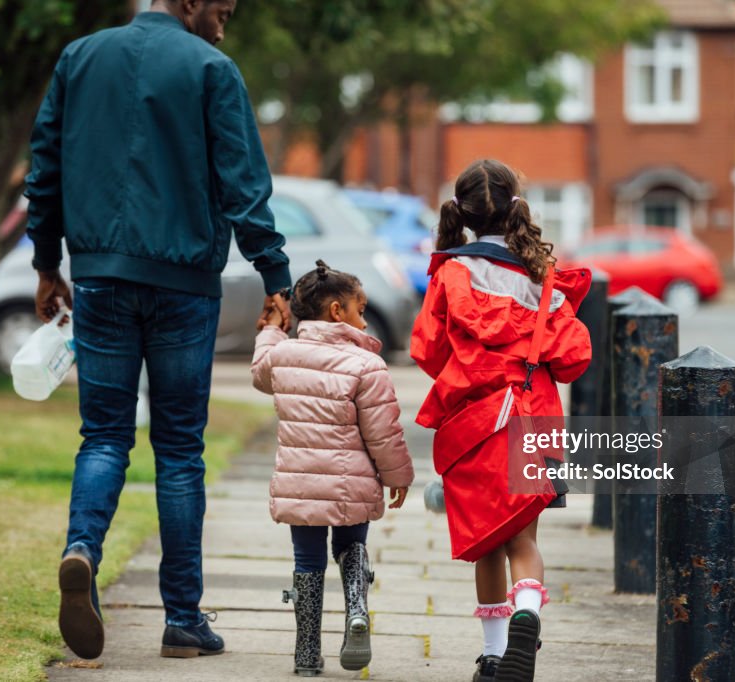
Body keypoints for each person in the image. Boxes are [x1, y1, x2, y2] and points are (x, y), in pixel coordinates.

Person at [25, 0, 292, 661]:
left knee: (104, 436)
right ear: (192, 2)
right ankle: (182, 619)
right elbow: (243, 185)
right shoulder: (211, 68)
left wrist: (45, 262)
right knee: (178, 452)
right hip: (182, 285)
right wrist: (276, 275)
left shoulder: (79, 58)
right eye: (223, 9)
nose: (226, 23)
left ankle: (82, 547)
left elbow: (45, 167)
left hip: (101, 280)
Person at [411, 160, 592, 682]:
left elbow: (426, 349)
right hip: (532, 418)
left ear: (462, 216)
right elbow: (575, 358)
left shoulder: (451, 274)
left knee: (485, 541)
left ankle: (493, 657)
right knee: (523, 539)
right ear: (517, 207)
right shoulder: (543, 282)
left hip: (476, 418)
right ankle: (528, 614)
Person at [251, 260, 415, 677]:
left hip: (300, 482)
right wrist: (398, 477)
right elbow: (383, 433)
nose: (364, 321)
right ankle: (357, 609)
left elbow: (260, 372)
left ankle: (306, 652)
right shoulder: (366, 365)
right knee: (350, 547)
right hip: (351, 483)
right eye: (361, 311)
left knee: (307, 562)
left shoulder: (284, 356)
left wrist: (272, 326)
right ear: (338, 311)